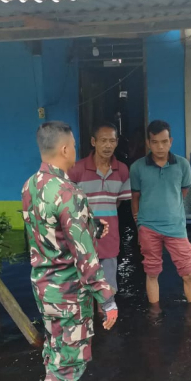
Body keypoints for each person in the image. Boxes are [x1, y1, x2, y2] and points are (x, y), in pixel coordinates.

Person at [21, 121, 118, 381]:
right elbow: (87, 260)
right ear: (64, 149)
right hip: (68, 294)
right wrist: (108, 299)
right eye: (74, 145)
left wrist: (91, 226)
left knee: (55, 351)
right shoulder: (69, 193)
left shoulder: (30, 186)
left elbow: (50, 232)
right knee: (67, 366)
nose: (76, 150)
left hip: (43, 288)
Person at [130, 120, 191, 305]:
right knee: (152, 273)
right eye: (155, 142)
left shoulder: (183, 165)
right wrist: (139, 224)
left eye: (164, 141)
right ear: (148, 143)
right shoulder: (137, 167)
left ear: (171, 141)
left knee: (189, 273)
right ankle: (155, 315)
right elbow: (135, 197)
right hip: (148, 228)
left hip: (176, 227)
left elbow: (182, 193)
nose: (160, 146)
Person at [68, 122, 132, 306]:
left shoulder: (122, 170)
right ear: (93, 142)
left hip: (110, 238)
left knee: (107, 291)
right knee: (83, 290)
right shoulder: (77, 170)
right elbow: (69, 206)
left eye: (112, 141)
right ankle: (91, 330)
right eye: (103, 140)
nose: (108, 145)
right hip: (82, 239)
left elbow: (118, 202)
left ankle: (106, 326)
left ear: (117, 142)